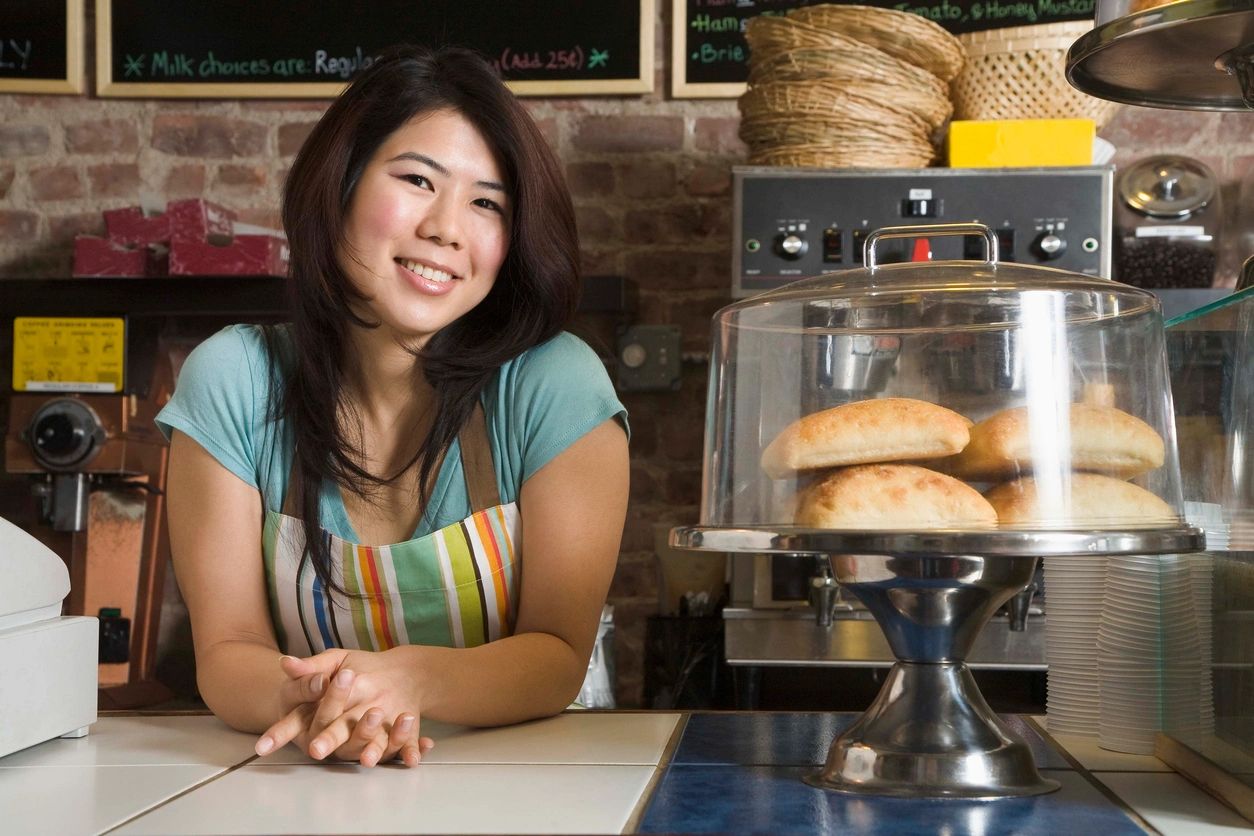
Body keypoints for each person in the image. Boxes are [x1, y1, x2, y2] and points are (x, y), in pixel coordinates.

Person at [157, 44, 630, 769]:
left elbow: (559, 654)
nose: (446, 227)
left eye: (486, 203)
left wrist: (406, 680)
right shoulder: (235, 378)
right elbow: (227, 652)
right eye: (416, 179)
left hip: (531, 777)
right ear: (338, 186)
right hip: (321, 778)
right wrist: (329, 711)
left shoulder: (553, 385)